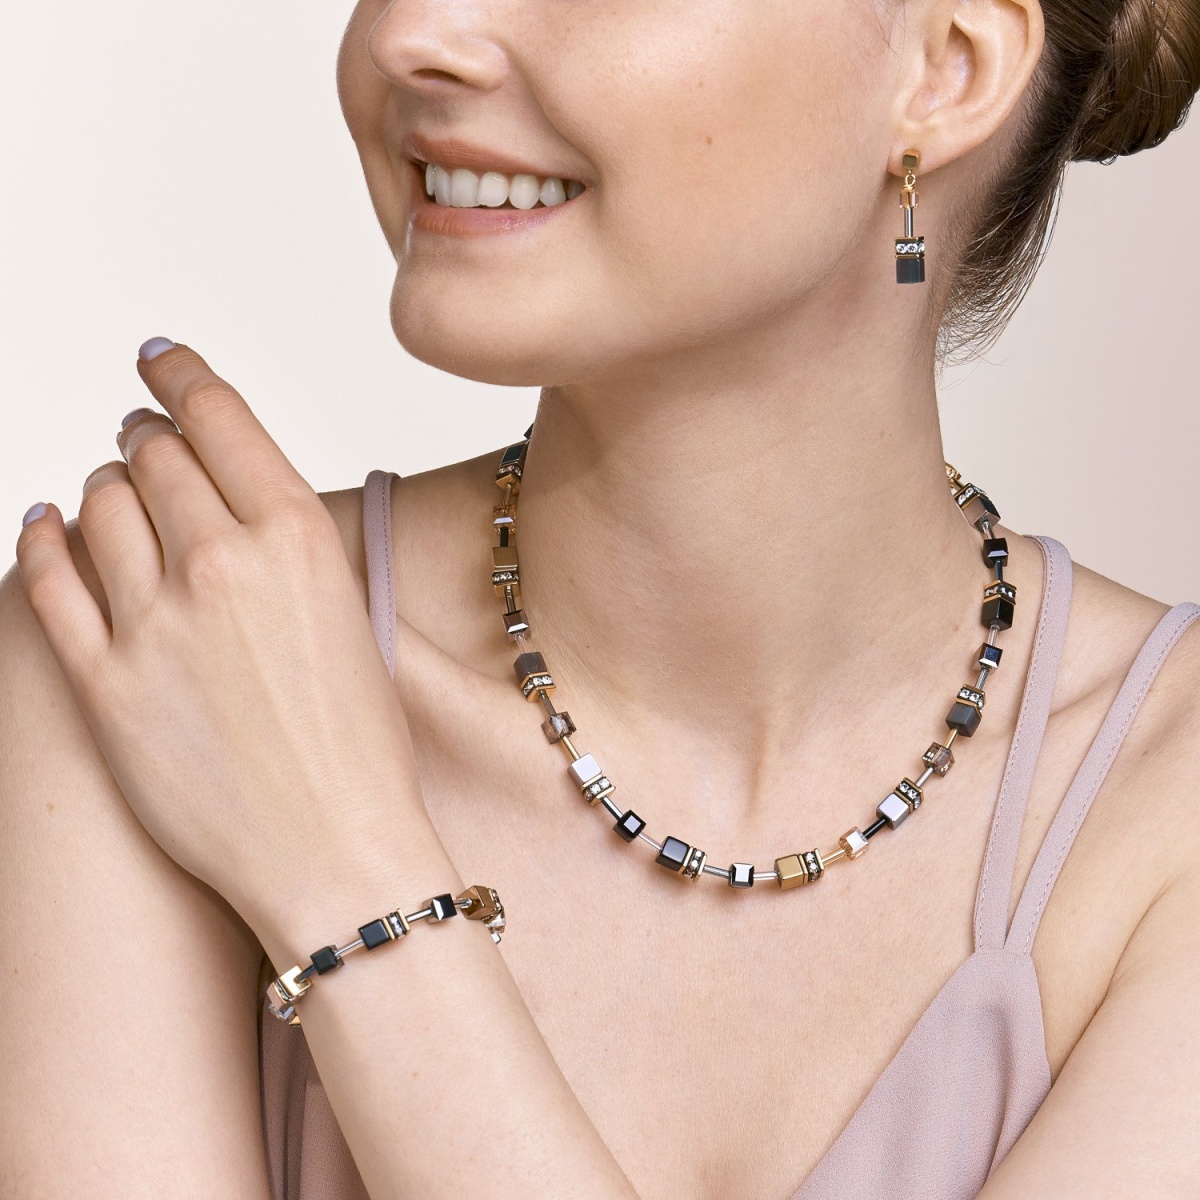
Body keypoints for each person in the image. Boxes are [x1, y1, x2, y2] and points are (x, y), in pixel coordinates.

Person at [3, 1, 1200, 1197]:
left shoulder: (1166, 804)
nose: (414, 33)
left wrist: (345, 875)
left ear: (947, 68)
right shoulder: (159, 648)